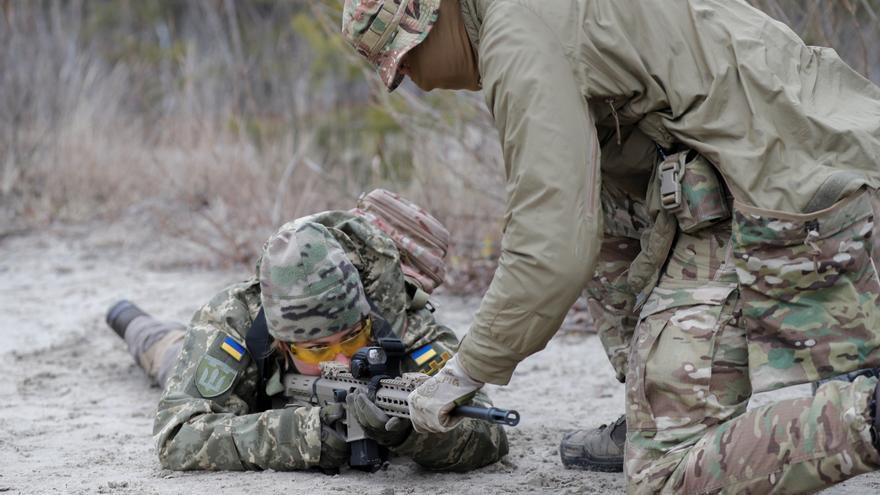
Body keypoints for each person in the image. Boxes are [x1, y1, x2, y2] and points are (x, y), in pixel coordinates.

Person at [340, 0, 880, 492]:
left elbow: (549, 246)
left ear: (438, 17)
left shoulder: (515, 35)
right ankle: (656, 402)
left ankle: (866, 418)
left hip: (786, 191)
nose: (416, 82)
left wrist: (465, 370)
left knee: (664, 474)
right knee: (597, 198)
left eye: (406, 62)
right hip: (813, 147)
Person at [106, 210, 508, 472]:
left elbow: (489, 434)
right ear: (281, 343)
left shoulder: (404, 322)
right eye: (316, 349)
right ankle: (129, 319)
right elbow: (176, 436)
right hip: (248, 389)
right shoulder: (235, 319)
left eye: (353, 338)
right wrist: (297, 435)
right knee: (167, 351)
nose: (341, 359)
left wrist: (410, 432)